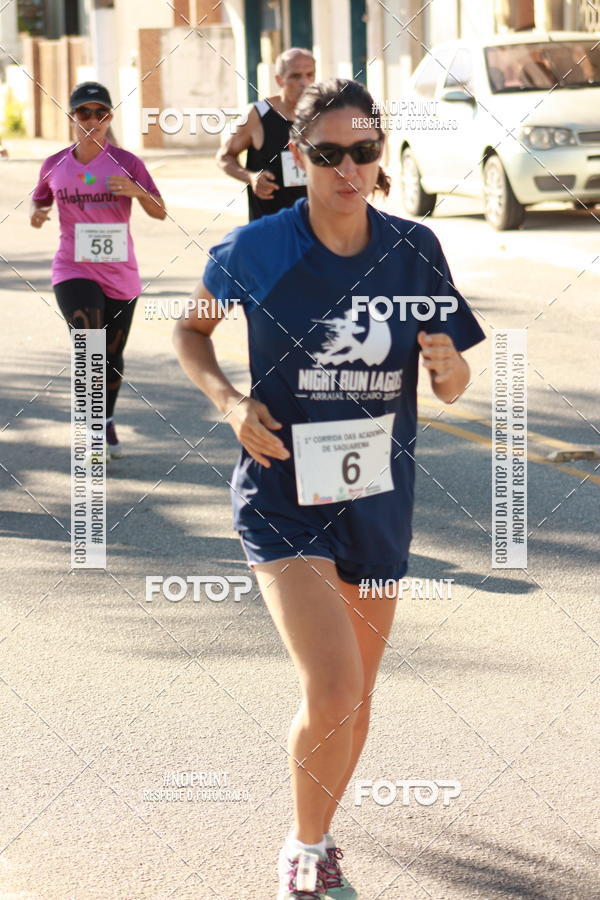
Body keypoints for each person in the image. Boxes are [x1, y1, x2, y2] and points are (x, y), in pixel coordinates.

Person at [174, 78, 485, 899]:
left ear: (381, 159)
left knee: (357, 699)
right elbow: (189, 328)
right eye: (329, 153)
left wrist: (450, 367)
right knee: (336, 684)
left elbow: (451, 380)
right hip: (281, 495)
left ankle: (323, 834)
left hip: (379, 499)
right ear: (299, 157)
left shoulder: (414, 248)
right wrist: (231, 402)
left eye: (365, 152)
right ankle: (303, 853)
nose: (348, 168)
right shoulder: (258, 250)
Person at [31, 81, 166, 459]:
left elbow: (160, 211)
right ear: (72, 117)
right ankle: (91, 429)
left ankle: (105, 419)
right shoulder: (54, 163)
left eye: (100, 113)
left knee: (111, 354)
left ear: (109, 117)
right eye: (83, 112)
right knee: (88, 346)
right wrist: (37, 215)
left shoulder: (129, 163)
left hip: (120, 272)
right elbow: (38, 202)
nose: (92, 119)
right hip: (73, 267)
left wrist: (137, 192)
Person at [217, 47, 315, 220]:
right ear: (279, 80)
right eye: (295, 76)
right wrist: (251, 177)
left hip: (312, 227)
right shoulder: (258, 113)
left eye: (310, 75)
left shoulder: (321, 114)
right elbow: (224, 156)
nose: (304, 82)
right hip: (269, 227)